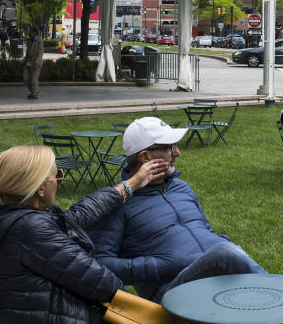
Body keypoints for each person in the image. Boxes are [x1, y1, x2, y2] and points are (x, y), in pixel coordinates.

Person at [0, 144, 167, 324]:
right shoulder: (31, 230)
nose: (60, 180)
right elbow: (102, 284)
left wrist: (131, 184)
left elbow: (79, 214)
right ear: (41, 188)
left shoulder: (11, 219)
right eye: (57, 175)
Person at [90, 117, 267, 302]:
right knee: (225, 254)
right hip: (169, 290)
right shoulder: (117, 203)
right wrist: (158, 265)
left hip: (212, 271)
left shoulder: (181, 187)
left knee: (229, 254)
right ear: (145, 157)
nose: (178, 153)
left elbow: (204, 229)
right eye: (169, 147)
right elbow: (100, 265)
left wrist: (217, 242)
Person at [23, 26, 44, 100]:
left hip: (36, 62)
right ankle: (33, 91)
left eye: (30, 32)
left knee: (34, 79)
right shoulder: (29, 40)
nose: (29, 33)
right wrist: (25, 61)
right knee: (25, 77)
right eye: (29, 31)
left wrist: (36, 62)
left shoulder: (39, 41)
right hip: (28, 62)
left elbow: (40, 53)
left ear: (35, 32)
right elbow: (27, 52)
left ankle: (34, 94)